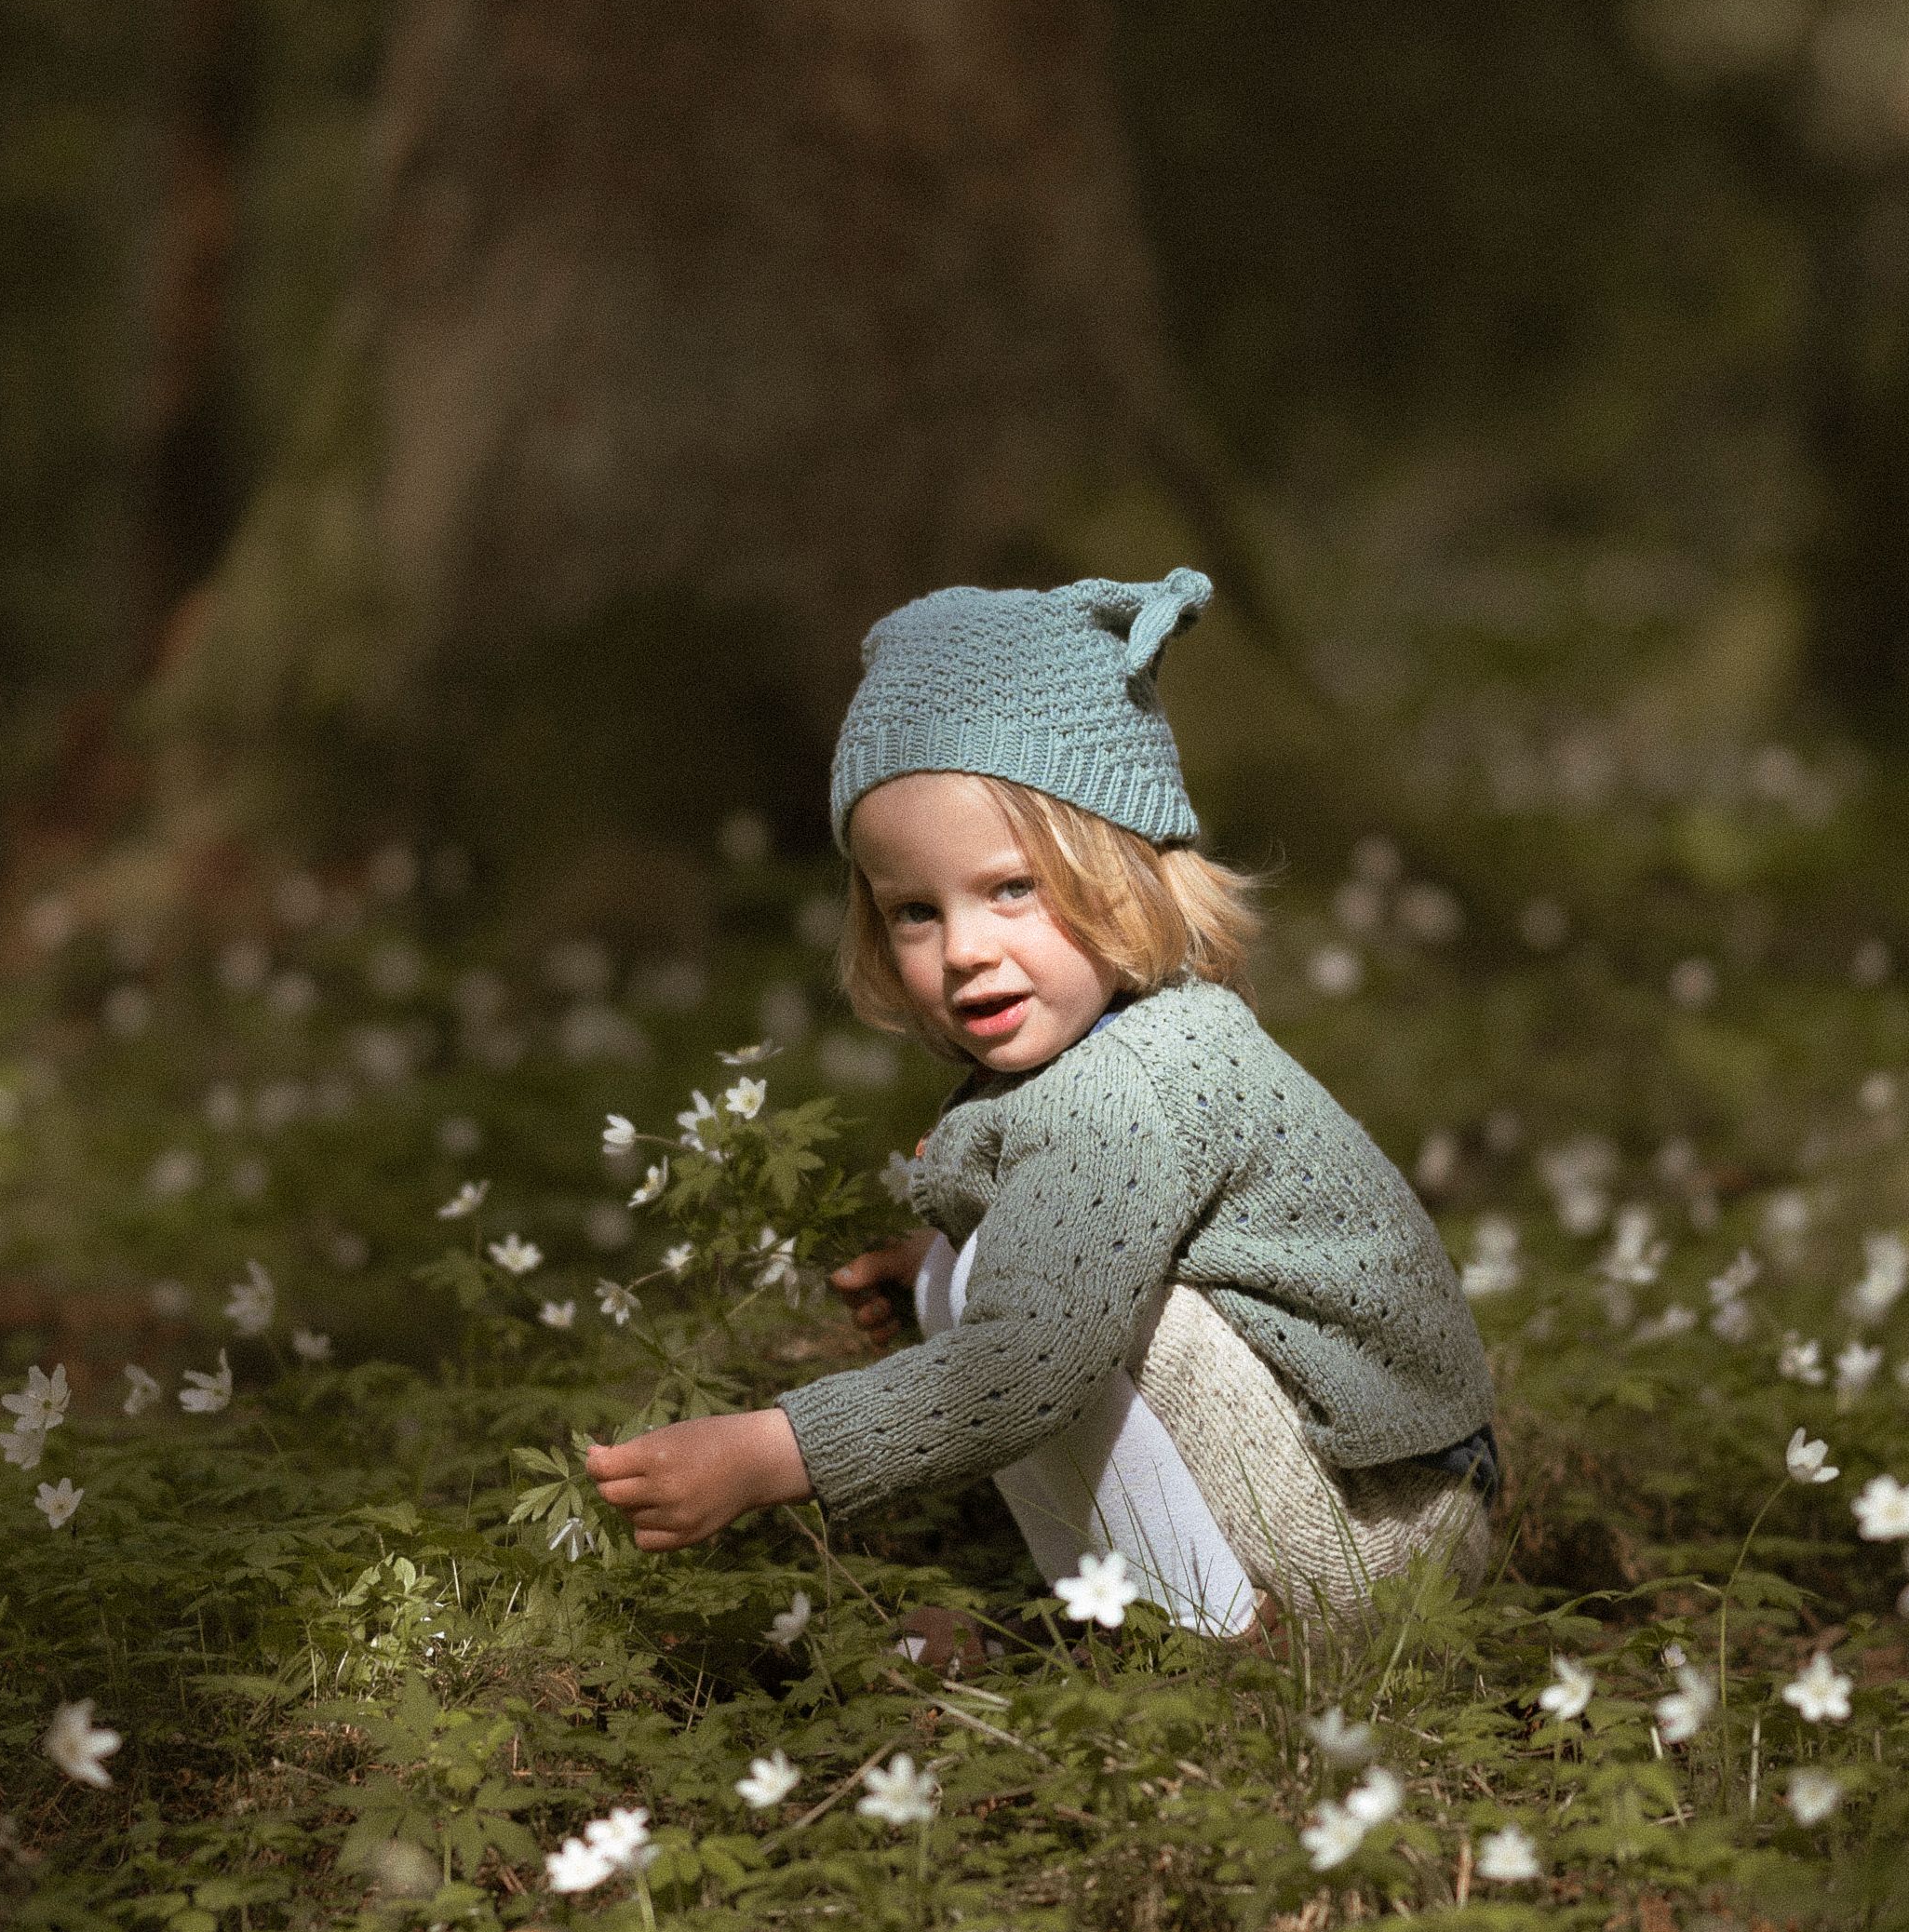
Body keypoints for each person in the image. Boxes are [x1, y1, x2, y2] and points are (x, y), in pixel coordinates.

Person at [580, 570, 1498, 1639]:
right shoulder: (1134, 1033)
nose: (966, 950)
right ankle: (1117, 1614)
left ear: (1126, 863)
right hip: (1374, 1489)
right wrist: (929, 1264)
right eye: (916, 911)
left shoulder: (1127, 1086)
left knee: (1025, 1309)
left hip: (1385, 1533)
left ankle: (1218, 1637)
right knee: (977, 1276)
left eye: (1012, 888)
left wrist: (769, 1453)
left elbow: (1026, 1364)